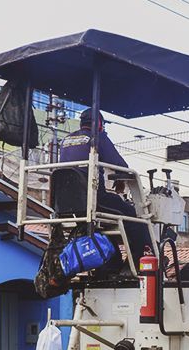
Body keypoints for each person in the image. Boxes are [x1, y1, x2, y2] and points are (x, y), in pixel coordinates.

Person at [58, 108, 148, 265]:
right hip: (92, 199)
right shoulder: (97, 137)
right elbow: (120, 165)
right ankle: (139, 261)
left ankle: (112, 264)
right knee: (133, 217)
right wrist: (121, 179)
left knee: (109, 221)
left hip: (65, 204)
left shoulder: (66, 140)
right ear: (99, 124)